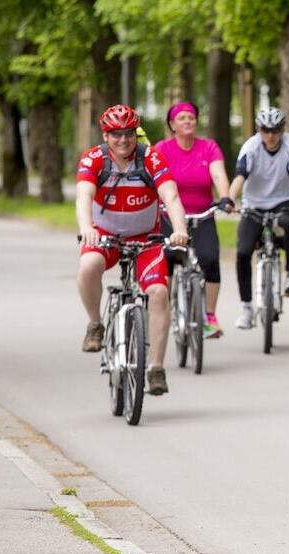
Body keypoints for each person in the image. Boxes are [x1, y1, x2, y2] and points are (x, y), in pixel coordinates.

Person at [76, 104, 188, 395]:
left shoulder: (151, 157)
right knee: (88, 266)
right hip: (105, 236)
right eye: (116, 134)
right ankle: (95, 323)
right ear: (105, 135)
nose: (123, 140)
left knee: (159, 292)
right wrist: (87, 228)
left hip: (145, 239)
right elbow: (83, 195)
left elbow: (171, 196)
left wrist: (179, 230)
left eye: (128, 134)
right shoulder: (94, 158)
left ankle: (156, 368)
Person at [155, 101, 234, 338]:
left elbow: (218, 175)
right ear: (172, 125)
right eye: (182, 118)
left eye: (191, 117)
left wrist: (225, 197)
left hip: (202, 215)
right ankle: (164, 311)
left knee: (209, 258)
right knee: (167, 259)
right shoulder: (162, 149)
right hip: (169, 216)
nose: (188, 121)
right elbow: (154, 178)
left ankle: (209, 316)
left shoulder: (208, 147)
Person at [229, 107, 289, 329]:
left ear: (282, 130)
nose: (270, 135)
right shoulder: (251, 147)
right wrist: (230, 198)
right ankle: (247, 308)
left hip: (283, 200)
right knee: (243, 252)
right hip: (254, 204)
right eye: (265, 130)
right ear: (258, 130)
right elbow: (240, 175)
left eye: (275, 130)